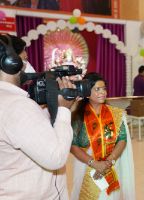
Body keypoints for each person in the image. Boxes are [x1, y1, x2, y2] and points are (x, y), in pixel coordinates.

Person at [0, 34, 76, 199]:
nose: (28, 67)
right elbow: (55, 157)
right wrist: (63, 109)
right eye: (24, 60)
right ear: (11, 63)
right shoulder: (17, 106)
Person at [70, 72, 135, 200]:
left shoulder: (115, 114)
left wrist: (109, 161)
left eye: (104, 88)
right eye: (97, 89)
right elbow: (73, 146)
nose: (102, 92)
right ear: (87, 92)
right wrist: (94, 163)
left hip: (110, 167)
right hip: (86, 168)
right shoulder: (78, 116)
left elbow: (122, 140)